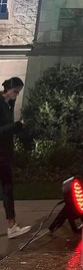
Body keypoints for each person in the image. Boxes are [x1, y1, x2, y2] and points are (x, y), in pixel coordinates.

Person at [0, 77, 31, 238]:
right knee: (7, 188)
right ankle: (12, 225)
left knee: (8, 189)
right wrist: (16, 125)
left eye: (18, 92)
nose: (17, 95)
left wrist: (20, 128)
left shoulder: (8, 104)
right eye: (15, 91)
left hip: (5, 154)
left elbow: (8, 130)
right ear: (8, 89)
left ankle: (12, 225)